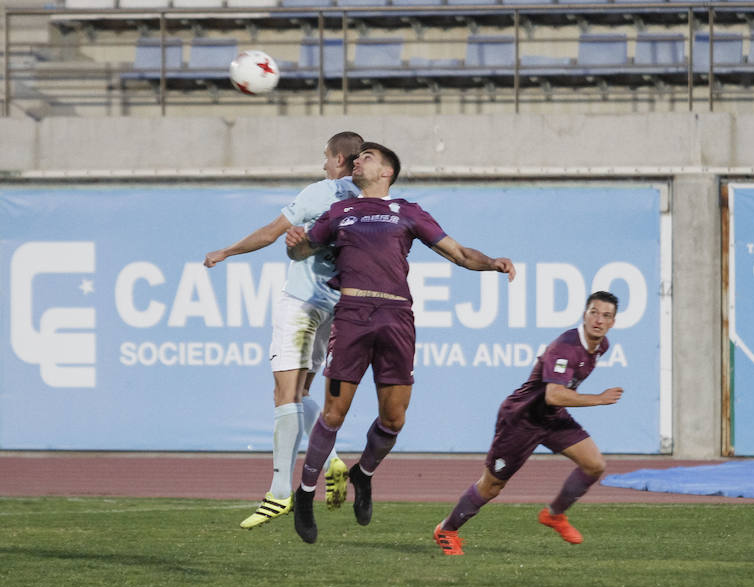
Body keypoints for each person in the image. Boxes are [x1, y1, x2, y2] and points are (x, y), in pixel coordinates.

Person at [284, 141, 517, 544]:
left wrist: (492, 263)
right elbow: (306, 248)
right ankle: (304, 494)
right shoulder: (340, 212)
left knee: (394, 419)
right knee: (334, 414)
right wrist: (295, 244)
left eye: (367, 157)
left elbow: (459, 252)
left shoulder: (406, 211)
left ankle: (364, 472)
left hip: (395, 318)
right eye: (356, 158)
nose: (358, 161)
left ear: (387, 172)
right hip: (353, 316)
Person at [203, 131, 364, 529]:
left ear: (341, 159)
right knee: (302, 393)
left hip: (302, 301)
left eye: (326, 157)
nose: (323, 164)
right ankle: (332, 461)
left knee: (283, 394)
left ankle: (278, 492)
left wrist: (227, 251)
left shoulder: (320, 192)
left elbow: (271, 232)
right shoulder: (367, 203)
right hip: (335, 304)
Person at [433, 291, 624, 555]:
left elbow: (556, 398)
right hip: (521, 420)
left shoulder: (602, 346)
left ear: (613, 322)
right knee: (492, 486)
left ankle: (554, 515)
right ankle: (447, 529)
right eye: (594, 312)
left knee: (594, 465)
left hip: (551, 417)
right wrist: (599, 399)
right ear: (584, 314)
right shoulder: (566, 346)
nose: (599, 320)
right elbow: (553, 394)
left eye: (606, 315)